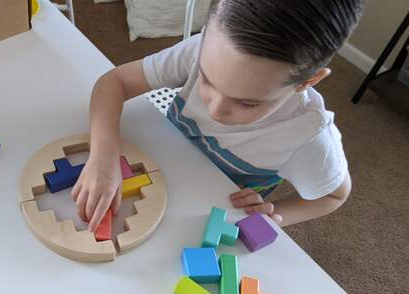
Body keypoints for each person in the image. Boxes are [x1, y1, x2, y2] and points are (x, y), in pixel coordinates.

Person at [72, 0, 364, 232]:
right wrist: (103, 154)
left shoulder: (308, 138)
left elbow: (334, 195)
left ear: (306, 82)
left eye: (247, 103)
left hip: (206, 211)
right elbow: (114, 82)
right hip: (160, 163)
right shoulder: (203, 48)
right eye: (207, 80)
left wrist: (277, 216)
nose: (215, 109)